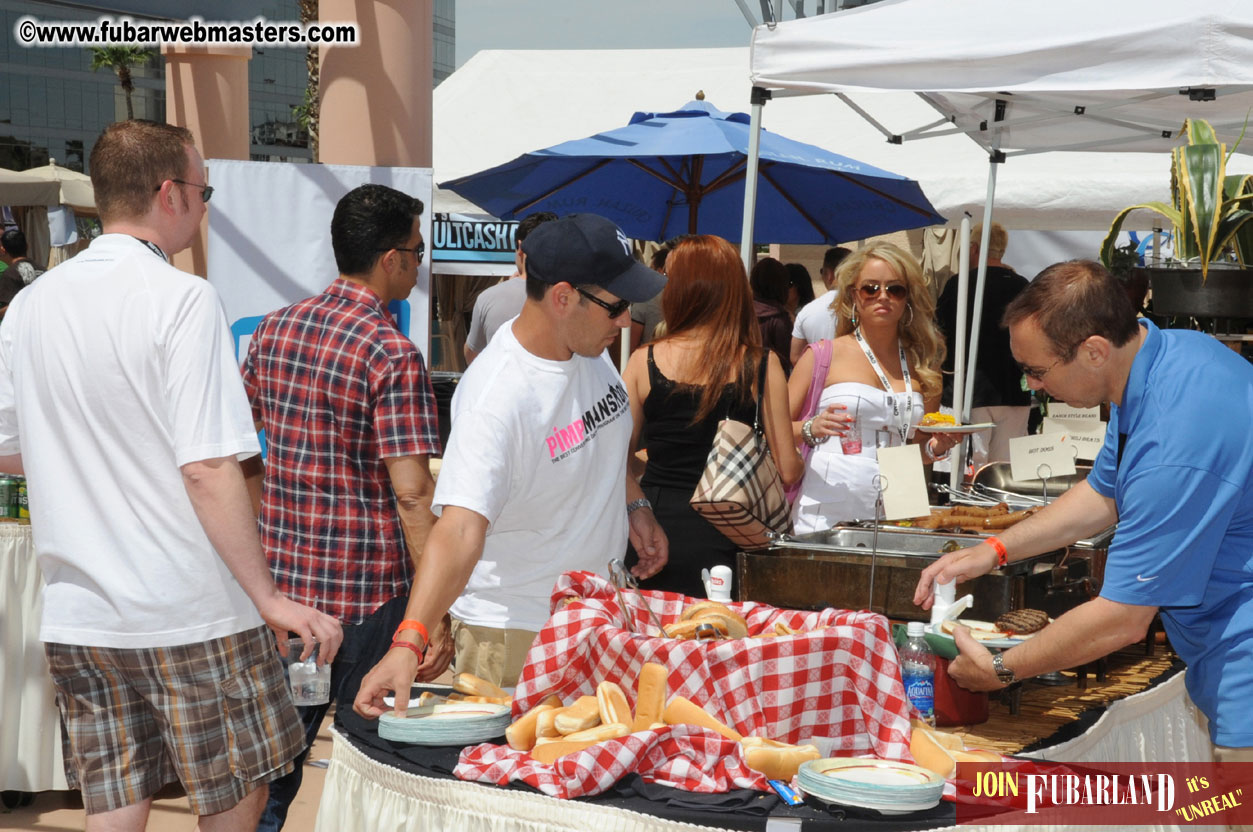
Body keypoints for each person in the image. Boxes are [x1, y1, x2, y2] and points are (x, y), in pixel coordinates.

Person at [0, 119, 342, 832]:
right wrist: (269, 597)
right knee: (239, 789)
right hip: (188, 605)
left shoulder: (32, 303)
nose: (205, 204)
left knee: (116, 799)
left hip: (80, 610)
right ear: (169, 193)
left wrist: (94, 458)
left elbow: (10, 446)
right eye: (202, 188)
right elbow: (209, 465)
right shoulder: (181, 298)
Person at [915, 259, 1253, 759]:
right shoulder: (1166, 355)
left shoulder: (1172, 442)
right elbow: (1103, 492)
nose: (1030, 386)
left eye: (1036, 370)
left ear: (1094, 350)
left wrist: (1002, 671)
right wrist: (994, 549)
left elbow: (1122, 620)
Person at [353, 213, 669, 713]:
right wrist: (408, 642)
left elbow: (603, 439)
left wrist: (634, 506)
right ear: (562, 298)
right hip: (516, 634)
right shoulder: (497, 396)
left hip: (590, 617)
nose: (626, 321)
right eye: (617, 306)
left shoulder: (590, 349)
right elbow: (458, 529)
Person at [241, 184, 453, 832]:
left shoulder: (273, 330)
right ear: (389, 258)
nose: (419, 266)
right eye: (416, 253)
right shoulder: (390, 352)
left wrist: (272, 529)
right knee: (377, 773)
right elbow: (412, 493)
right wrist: (432, 613)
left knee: (270, 779)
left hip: (287, 599)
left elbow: (242, 454)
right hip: (368, 599)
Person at [623, 235, 802, 597]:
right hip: (731, 530)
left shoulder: (644, 359)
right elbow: (787, 469)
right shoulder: (762, 364)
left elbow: (617, 459)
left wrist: (655, 471)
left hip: (653, 529)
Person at [788, 242, 960, 533]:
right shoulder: (823, 354)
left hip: (899, 501)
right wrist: (811, 428)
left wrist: (935, 448)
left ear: (908, 299)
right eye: (871, 288)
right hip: (830, 502)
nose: (883, 296)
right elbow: (774, 429)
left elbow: (915, 447)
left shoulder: (923, 368)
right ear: (854, 295)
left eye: (895, 289)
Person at [936, 222, 1030, 465]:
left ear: (974, 248)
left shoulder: (960, 284)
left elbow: (938, 332)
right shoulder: (1023, 286)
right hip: (1013, 391)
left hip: (969, 392)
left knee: (968, 472)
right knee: (1005, 473)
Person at [463, 211, 557, 365]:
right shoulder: (574, 298)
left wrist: (504, 289)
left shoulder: (488, 298)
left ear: (520, 247)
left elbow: (472, 356)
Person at [789, 246, 852, 367]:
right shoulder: (864, 306)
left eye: (822, 272)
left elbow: (795, 357)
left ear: (829, 274)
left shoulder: (807, 311)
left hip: (819, 381)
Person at [750, 256, 794, 374]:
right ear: (781, 285)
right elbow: (787, 358)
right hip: (770, 381)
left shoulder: (741, 311)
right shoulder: (779, 319)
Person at [629, 244, 670, 352]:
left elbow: (631, 344)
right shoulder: (684, 298)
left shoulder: (645, 298)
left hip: (648, 362)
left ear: (660, 271)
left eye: (651, 269)